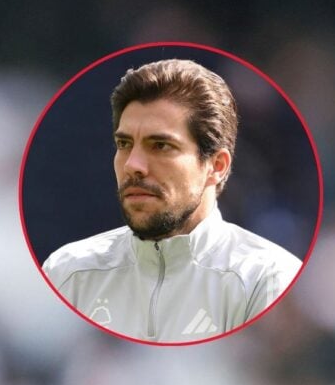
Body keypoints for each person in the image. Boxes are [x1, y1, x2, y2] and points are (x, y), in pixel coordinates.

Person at [42, 58, 303, 343]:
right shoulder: (69, 270)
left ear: (217, 166)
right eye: (124, 144)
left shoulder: (269, 278)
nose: (134, 165)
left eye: (162, 146)